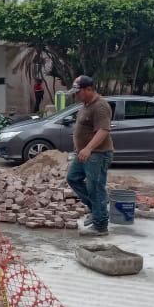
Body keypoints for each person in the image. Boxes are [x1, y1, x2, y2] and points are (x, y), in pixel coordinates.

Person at [65, 76, 114, 237]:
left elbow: (103, 131)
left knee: (95, 187)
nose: (76, 95)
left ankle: (100, 226)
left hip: (97, 154)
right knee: (73, 178)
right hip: (84, 153)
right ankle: (96, 209)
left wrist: (88, 148)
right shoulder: (85, 105)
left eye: (78, 92)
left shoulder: (100, 106)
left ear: (89, 89)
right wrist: (78, 146)